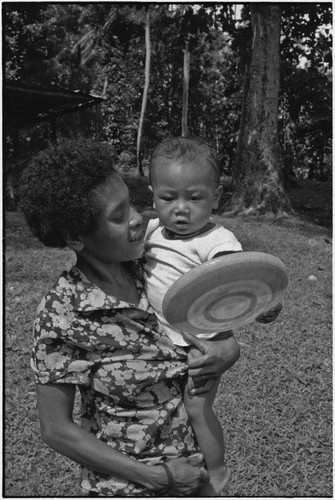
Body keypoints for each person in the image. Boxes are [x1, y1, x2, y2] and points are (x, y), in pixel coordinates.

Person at [19, 138, 241, 497]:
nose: (139, 219)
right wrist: (158, 477)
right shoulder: (63, 314)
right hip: (130, 486)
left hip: (195, 476)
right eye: (119, 216)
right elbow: (56, 429)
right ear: (76, 236)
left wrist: (228, 348)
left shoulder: (153, 264)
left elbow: (216, 310)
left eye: (133, 204)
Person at [144, 136, 282, 496]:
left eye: (194, 197)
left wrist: (264, 302)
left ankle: (217, 470)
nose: (180, 209)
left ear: (215, 198)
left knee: (196, 406)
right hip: (161, 339)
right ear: (153, 194)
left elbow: (235, 281)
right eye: (168, 197)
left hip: (202, 343)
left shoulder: (217, 241)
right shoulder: (152, 232)